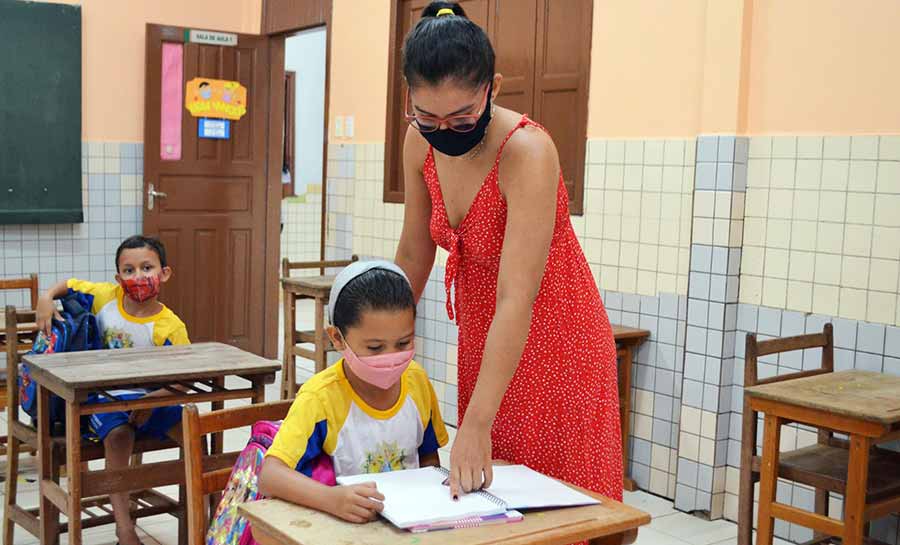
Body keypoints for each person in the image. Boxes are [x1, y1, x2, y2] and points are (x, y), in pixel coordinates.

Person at [395, 1, 623, 502]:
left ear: (492, 89)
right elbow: (414, 254)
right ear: (409, 97)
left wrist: (475, 422)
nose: (443, 131)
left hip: (557, 343)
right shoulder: (418, 143)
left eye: (462, 117)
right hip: (488, 341)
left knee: (560, 509)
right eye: (427, 116)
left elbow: (517, 297)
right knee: (489, 505)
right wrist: (373, 337)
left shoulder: (527, 153)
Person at [259, 260, 449, 523]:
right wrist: (332, 499)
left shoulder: (416, 381)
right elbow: (270, 475)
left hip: (406, 526)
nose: (391, 358)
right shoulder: (321, 398)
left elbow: (428, 456)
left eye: (403, 342)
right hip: (343, 528)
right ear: (337, 338)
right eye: (374, 348)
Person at [36, 235, 189, 545]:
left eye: (147, 268)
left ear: (165, 273)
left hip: (151, 399)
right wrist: (46, 296)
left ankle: (205, 512)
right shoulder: (106, 296)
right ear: (118, 278)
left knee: (193, 432)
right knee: (119, 436)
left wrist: (151, 400)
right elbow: (68, 284)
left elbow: (182, 381)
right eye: (129, 270)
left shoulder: (171, 325)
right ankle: (125, 529)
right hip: (102, 399)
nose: (138, 277)